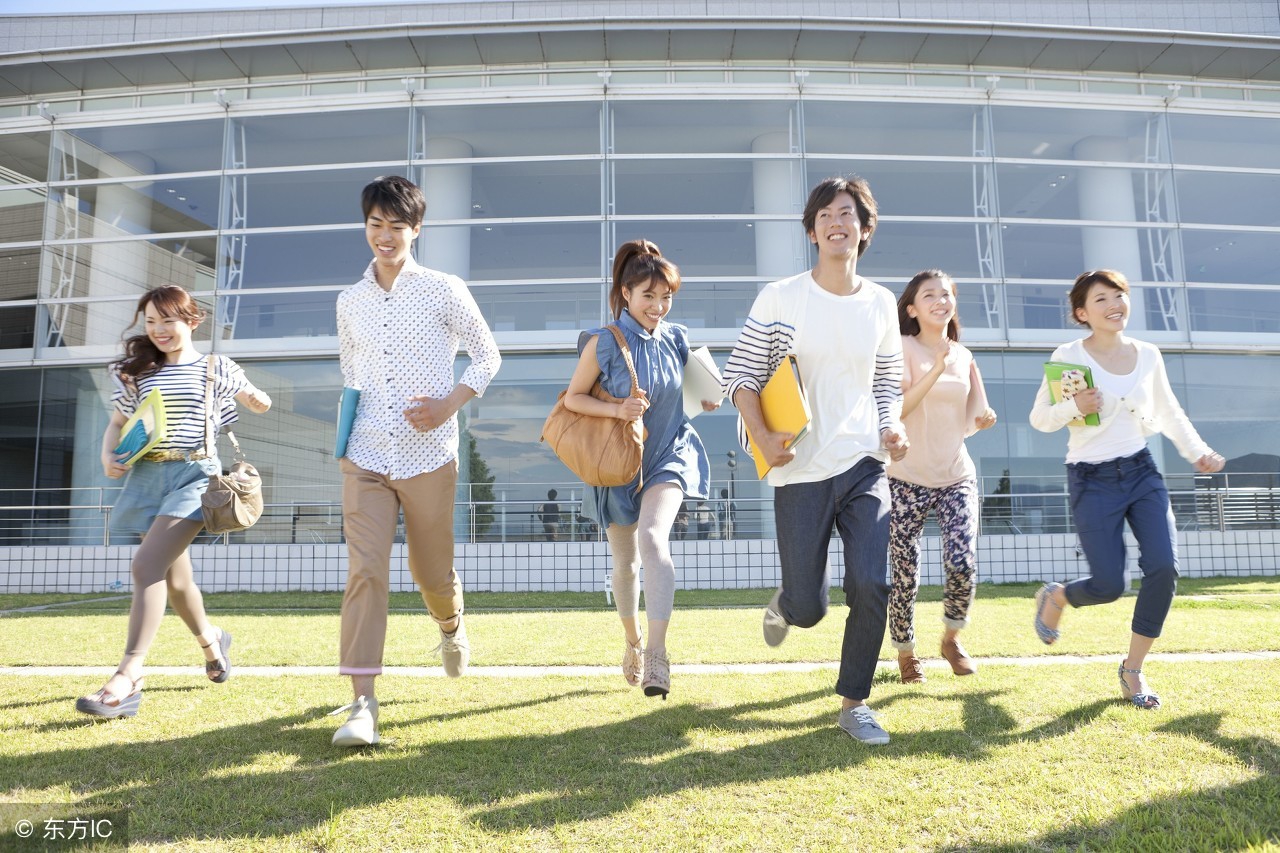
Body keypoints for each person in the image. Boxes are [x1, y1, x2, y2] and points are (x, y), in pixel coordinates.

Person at [723, 175, 908, 745]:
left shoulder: (880, 303)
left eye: (847, 213)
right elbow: (741, 375)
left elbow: (886, 382)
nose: (836, 222)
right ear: (811, 232)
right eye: (825, 214)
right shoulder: (781, 298)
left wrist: (892, 425)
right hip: (799, 468)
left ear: (864, 229)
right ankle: (788, 603)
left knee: (873, 582)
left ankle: (854, 704)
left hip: (863, 463)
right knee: (808, 608)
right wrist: (761, 436)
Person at [330, 175, 501, 746]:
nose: (385, 235)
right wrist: (346, 435)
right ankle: (362, 702)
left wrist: (448, 404)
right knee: (366, 570)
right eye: (375, 224)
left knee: (430, 573)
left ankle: (450, 625)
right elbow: (351, 374)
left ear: (416, 229)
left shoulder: (444, 289)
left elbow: (487, 355)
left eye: (396, 226)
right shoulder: (349, 301)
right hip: (365, 456)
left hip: (429, 457)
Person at [1030, 269, 1224, 710]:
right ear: (1082, 313)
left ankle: (1132, 670)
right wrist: (1073, 405)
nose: (1114, 304)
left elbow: (1169, 411)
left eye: (1119, 295)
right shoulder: (1069, 355)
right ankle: (1057, 595)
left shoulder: (1148, 354)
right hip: (1090, 478)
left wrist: (1198, 452)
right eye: (1101, 299)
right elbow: (1040, 419)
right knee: (1107, 585)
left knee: (1163, 567)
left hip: (1141, 471)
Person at [76, 285, 272, 719]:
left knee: (146, 567)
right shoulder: (141, 372)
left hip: (194, 475)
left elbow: (255, 399)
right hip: (147, 477)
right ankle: (212, 643)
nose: (158, 329)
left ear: (192, 321)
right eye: (150, 321)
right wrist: (108, 455)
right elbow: (118, 423)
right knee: (175, 578)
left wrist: (257, 400)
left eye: (167, 320)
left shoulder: (216, 366)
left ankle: (129, 675)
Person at [565, 239, 716, 699]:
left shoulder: (676, 337)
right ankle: (631, 641)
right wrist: (618, 410)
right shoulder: (603, 342)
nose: (658, 306)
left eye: (666, 296)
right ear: (626, 293)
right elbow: (573, 399)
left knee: (653, 538)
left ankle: (656, 653)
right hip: (617, 466)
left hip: (668, 455)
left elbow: (692, 392)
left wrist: (707, 398)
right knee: (626, 564)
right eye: (648, 296)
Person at [886, 270, 998, 684]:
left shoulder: (964, 356)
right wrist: (935, 369)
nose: (940, 301)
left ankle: (951, 639)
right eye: (929, 295)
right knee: (904, 574)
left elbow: (971, 418)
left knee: (962, 561)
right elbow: (897, 409)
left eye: (946, 294)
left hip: (955, 475)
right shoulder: (901, 348)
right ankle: (906, 653)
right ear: (913, 309)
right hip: (904, 477)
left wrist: (983, 419)